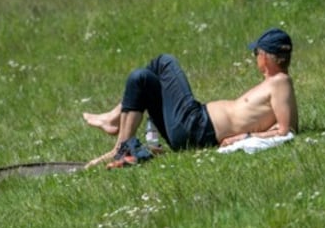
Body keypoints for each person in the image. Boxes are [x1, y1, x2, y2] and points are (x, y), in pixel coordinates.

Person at [83, 28, 299, 169]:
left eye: (256, 54)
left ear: (266, 56)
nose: (255, 59)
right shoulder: (276, 84)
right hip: (190, 126)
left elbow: (285, 130)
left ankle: (113, 121)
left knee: (164, 62)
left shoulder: (280, 82)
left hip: (197, 126)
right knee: (142, 78)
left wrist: (243, 138)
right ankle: (121, 146)